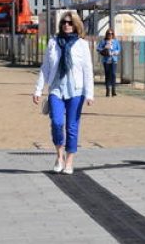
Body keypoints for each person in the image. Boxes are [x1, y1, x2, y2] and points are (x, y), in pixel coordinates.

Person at [33, 11, 95, 174]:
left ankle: (69, 161)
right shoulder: (53, 42)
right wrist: (38, 89)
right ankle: (59, 156)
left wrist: (90, 93)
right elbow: (45, 67)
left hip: (76, 90)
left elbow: (87, 70)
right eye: (64, 23)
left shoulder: (82, 44)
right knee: (57, 123)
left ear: (76, 25)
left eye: (70, 23)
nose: (66, 25)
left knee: (72, 126)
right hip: (56, 88)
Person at [97, 29, 120, 97]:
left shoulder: (116, 41)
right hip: (106, 60)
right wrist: (104, 48)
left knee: (113, 74)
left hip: (114, 60)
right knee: (107, 75)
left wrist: (115, 52)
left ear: (113, 34)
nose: (110, 35)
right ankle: (107, 90)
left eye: (111, 33)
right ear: (107, 34)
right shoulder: (103, 41)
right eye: (109, 33)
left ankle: (113, 90)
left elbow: (119, 49)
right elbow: (98, 48)